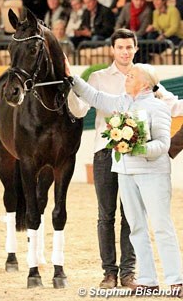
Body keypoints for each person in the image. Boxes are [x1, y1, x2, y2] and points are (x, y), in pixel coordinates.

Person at [67, 28, 183, 289]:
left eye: (131, 76)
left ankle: (174, 281)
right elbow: (94, 97)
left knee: (157, 226)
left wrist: (135, 148)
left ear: (142, 82)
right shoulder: (119, 99)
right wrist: (70, 77)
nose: (126, 76)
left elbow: (164, 142)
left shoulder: (156, 102)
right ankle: (144, 280)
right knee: (131, 225)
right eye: (121, 47)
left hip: (149, 170)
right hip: (121, 168)